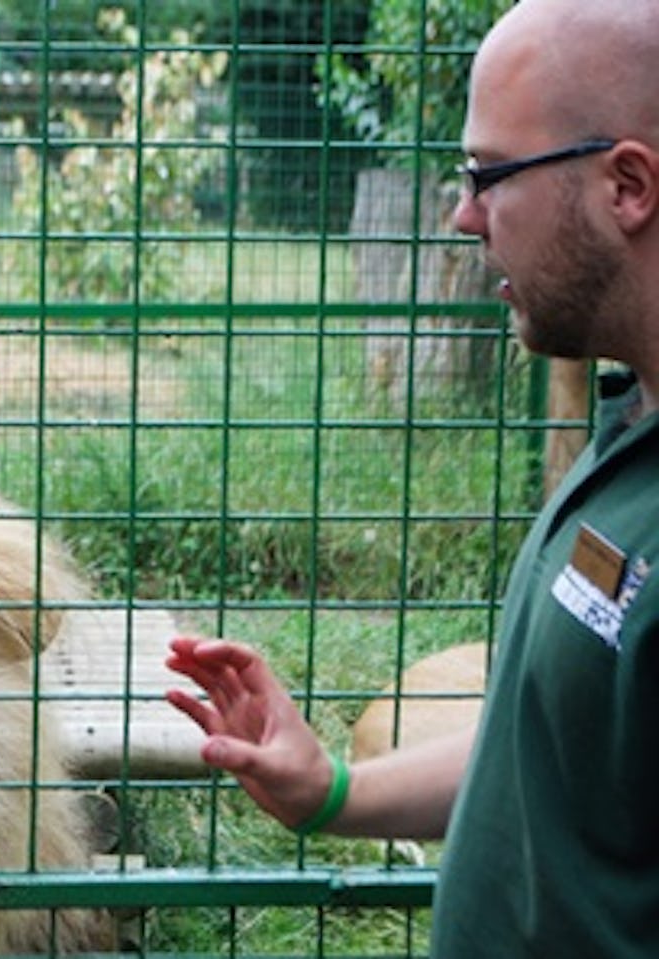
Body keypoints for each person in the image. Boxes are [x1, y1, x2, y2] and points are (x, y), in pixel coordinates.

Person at [165, 0, 659, 953]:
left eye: (488, 175)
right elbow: (552, 752)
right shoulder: (629, 427)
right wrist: (335, 793)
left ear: (627, 184)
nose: (462, 214)